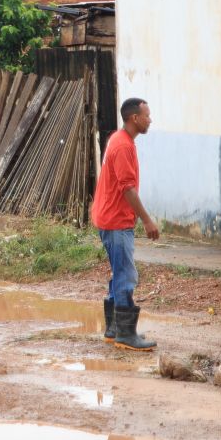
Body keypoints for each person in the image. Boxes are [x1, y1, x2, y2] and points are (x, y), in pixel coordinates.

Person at [91, 97, 160, 351]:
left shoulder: (118, 140)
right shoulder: (122, 146)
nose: (150, 120)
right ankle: (126, 335)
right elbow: (128, 189)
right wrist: (147, 220)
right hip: (116, 221)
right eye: (147, 115)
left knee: (119, 272)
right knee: (126, 275)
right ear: (134, 118)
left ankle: (113, 329)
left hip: (109, 218)